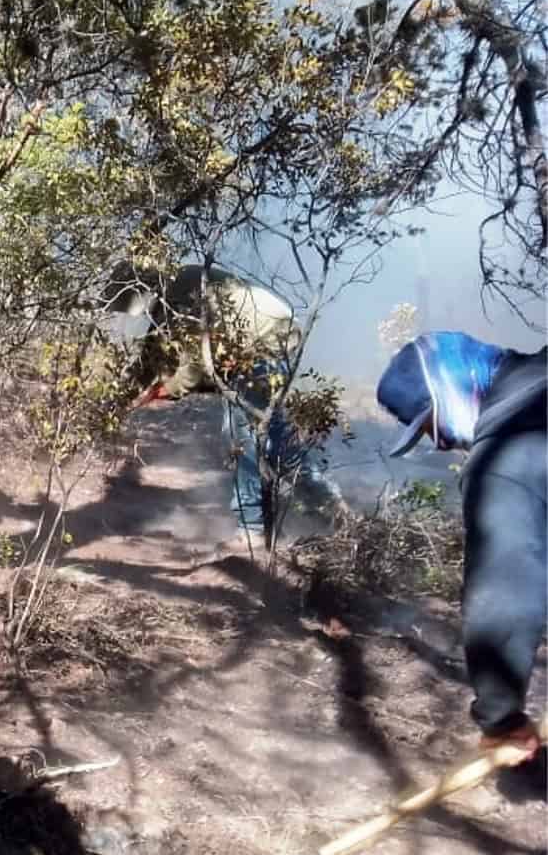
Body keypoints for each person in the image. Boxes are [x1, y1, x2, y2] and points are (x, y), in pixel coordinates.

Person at [377, 331, 546, 762]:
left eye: (433, 422)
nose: (441, 442)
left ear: (452, 383)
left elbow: (504, 589)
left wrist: (501, 717)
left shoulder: (508, 452)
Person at [110, 262, 339, 536]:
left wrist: (163, 391)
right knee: (274, 436)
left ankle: (252, 527)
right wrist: (129, 390)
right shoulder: (178, 285)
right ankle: (325, 503)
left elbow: (193, 368)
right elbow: (156, 348)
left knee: (242, 434)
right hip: (271, 334)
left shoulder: (181, 295)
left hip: (262, 342)